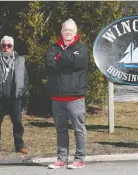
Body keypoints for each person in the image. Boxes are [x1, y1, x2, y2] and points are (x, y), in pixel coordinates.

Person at [45, 18, 89, 169]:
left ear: (75, 32)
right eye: (65, 30)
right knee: (61, 129)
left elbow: (80, 62)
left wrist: (60, 59)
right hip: (57, 97)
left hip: (75, 97)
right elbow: (49, 64)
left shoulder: (82, 48)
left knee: (79, 129)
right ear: (61, 32)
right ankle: (61, 158)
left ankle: (79, 159)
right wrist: (68, 60)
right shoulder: (53, 47)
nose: (67, 32)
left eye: (70, 30)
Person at [0, 35, 29, 156]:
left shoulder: (20, 60)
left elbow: (25, 78)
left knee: (18, 123)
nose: (6, 48)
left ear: (13, 47)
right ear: (0, 47)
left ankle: (19, 146)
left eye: (9, 45)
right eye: (4, 45)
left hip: (15, 97)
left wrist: (22, 91)